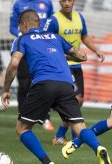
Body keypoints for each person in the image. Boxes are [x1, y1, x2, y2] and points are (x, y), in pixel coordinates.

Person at [1, 9, 112, 164]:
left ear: (24, 25)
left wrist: (6, 90)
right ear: (38, 23)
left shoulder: (22, 38)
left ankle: (47, 163)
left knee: (22, 128)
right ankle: (98, 148)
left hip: (43, 84)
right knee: (80, 126)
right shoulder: (55, 37)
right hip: (67, 84)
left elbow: (14, 64)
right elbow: (81, 56)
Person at [43, 0, 105, 145]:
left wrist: (96, 50)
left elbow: (84, 36)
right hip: (62, 66)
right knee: (74, 101)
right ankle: (72, 138)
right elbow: (44, 41)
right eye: (63, 0)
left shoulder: (79, 17)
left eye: (69, 0)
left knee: (79, 102)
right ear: (59, 2)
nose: (66, 3)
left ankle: (60, 136)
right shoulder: (53, 20)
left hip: (77, 65)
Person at [9, 0, 55, 130]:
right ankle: (22, 116)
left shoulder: (47, 3)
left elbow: (51, 23)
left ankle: (45, 118)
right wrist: (26, 36)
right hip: (25, 48)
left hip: (42, 49)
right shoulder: (18, 4)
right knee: (24, 84)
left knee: (44, 81)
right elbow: (12, 27)